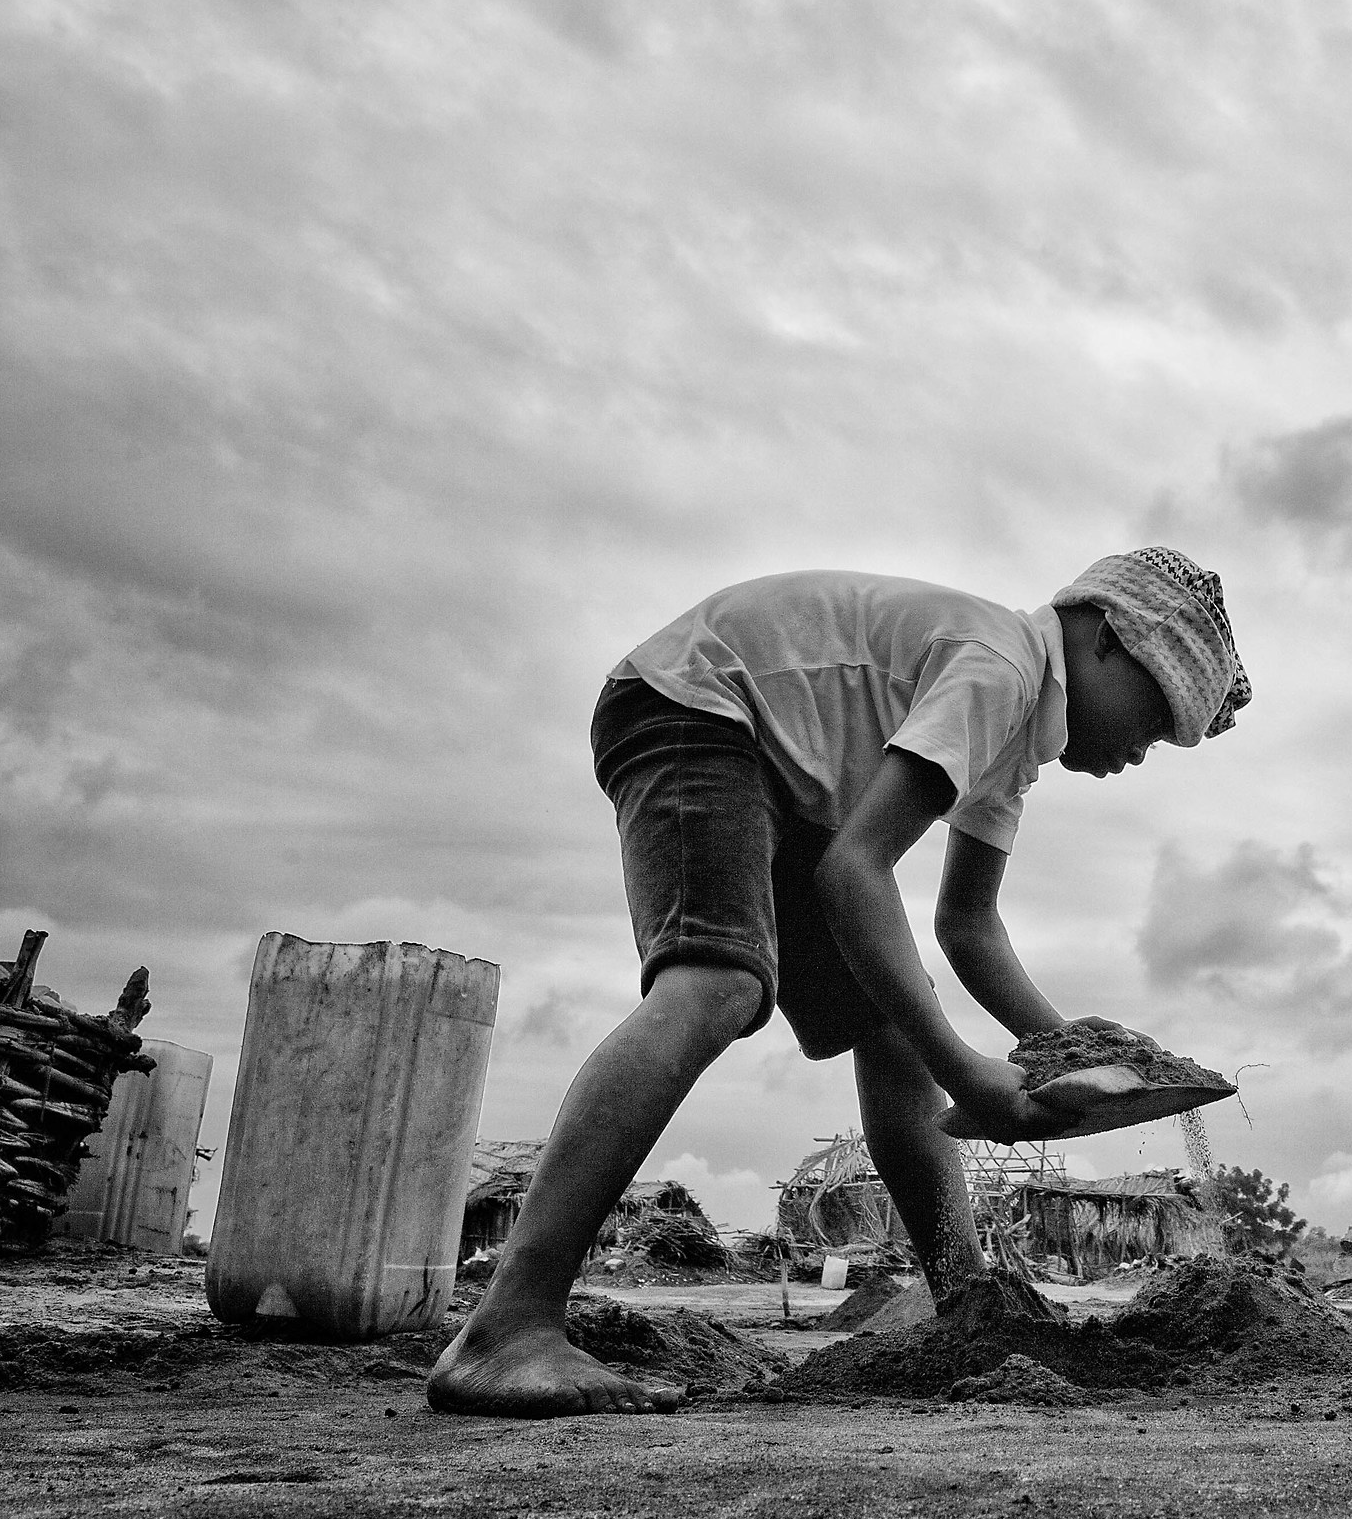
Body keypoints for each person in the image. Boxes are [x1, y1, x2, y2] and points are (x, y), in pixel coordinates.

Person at [428, 549, 1250, 1417]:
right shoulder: (1002, 665)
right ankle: (506, 1328)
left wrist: (1067, 1056)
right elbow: (857, 870)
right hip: (696, 707)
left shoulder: (1012, 747)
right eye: (1156, 717)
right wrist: (968, 1072)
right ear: (1107, 640)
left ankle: (969, 1305)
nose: (1145, 750)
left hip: (785, 771)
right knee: (715, 984)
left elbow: (968, 929)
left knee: (892, 1028)